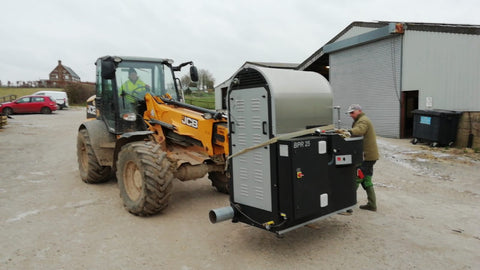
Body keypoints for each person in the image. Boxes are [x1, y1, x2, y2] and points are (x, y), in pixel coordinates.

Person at [348, 104, 379, 211]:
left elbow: (360, 130)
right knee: (366, 179)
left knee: (356, 179)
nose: (351, 115)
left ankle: (348, 205)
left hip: (366, 157)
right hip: (370, 157)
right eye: (350, 113)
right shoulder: (361, 119)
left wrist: (348, 132)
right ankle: (372, 204)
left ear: (359, 111)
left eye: (352, 112)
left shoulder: (363, 120)